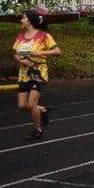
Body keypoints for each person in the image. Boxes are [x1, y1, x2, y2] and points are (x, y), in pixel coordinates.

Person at [13, 10, 61, 141]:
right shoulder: (21, 36)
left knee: (32, 103)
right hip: (24, 74)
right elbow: (16, 53)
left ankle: (37, 130)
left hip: (38, 72)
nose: (21, 20)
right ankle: (44, 110)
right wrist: (21, 60)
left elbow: (57, 51)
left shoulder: (43, 36)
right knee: (22, 105)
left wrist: (39, 52)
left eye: (23, 18)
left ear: (29, 20)